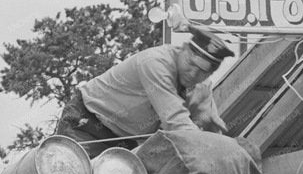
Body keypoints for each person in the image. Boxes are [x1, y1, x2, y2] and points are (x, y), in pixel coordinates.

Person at [53, 24, 235, 148]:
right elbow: (176, 122)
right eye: (191, 63)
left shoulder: (201, 86)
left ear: (210, 74)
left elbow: (208, 125)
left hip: (126, 140)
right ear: (184, 49)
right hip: (87, 123)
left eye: (202, 71)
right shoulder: (155, 63)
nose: (193, 73)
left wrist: (223, 147)